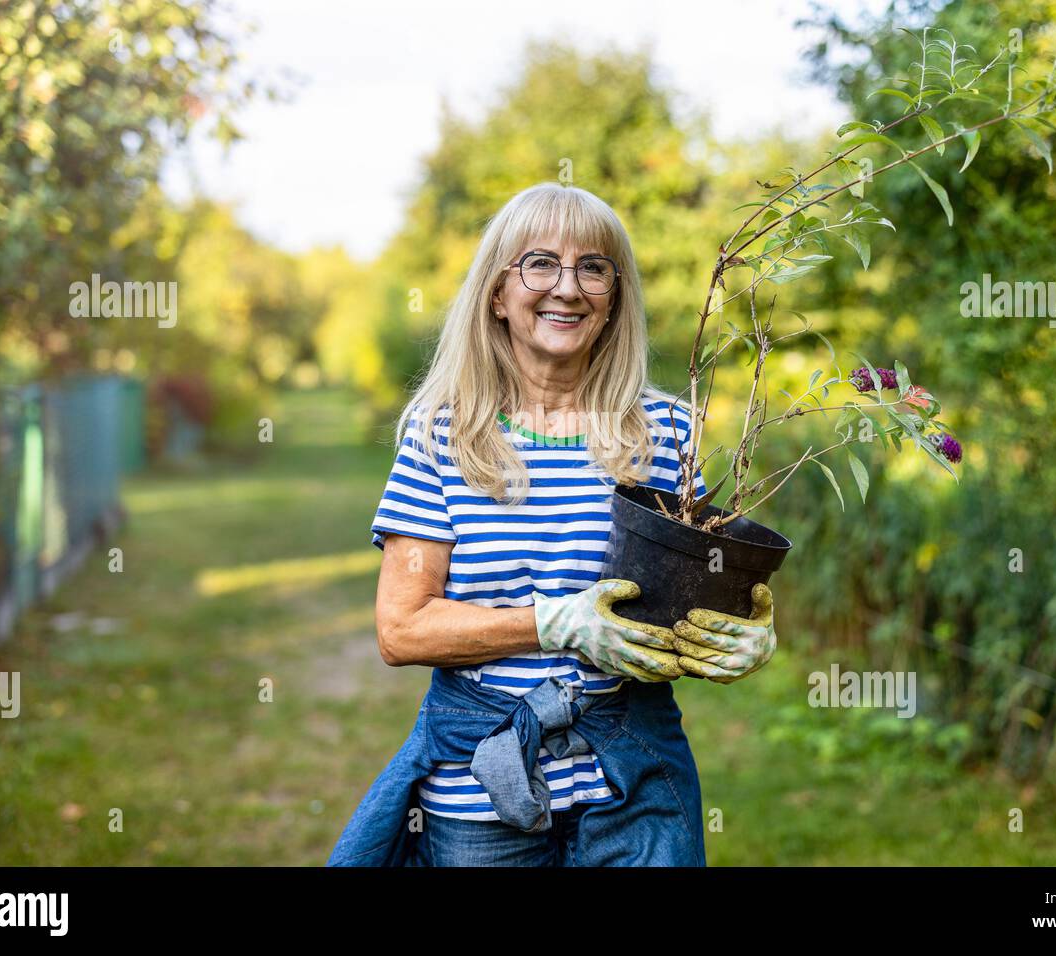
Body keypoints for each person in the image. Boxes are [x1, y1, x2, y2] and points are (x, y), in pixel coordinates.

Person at [325, 182, 777, 867]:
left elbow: (695, 596)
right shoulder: (442, 434)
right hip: (483, 786)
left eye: (593, 268)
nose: (568, 287)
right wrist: (557, 622)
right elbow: (401, 627)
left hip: (635, 783)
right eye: (540, 263)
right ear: (497, 295)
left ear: (613, 300)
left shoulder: (667, 432)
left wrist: (743, 633)